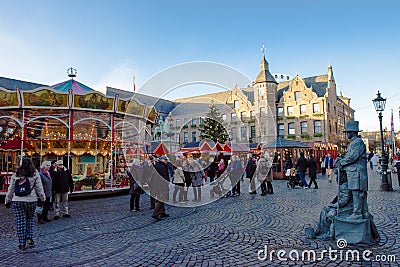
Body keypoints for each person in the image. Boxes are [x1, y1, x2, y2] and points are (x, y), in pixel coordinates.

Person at [4, 157, 46, 250]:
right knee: (30, 219)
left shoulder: (16, 173)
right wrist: (43, 198)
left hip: (17, 200)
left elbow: (11, 188)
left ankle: (21, 243)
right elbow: (39, 187)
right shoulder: (34, 173)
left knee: (20, 221)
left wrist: (8, 200)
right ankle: (29, 237)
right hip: (31, 200)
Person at [335, 121, 370, 220]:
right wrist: (342, 158)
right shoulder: (354, 143)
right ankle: (364, 212)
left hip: (357, 173)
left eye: (347, 132)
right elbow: (350, 156)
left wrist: (341, 162)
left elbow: (352, 157)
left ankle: (357, 213)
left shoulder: (357, 143)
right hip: (354, 172)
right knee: (358, 192)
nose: (346, 134)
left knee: (357, 192)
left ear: (352, 132)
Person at [152, 155, 170, 221]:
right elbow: (164, 177)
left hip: (157, 184)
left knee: (161, 199)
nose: (166, 161)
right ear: (162, 160)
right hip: (162, 185)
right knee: (161, 199)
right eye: (166, 160)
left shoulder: (157, 165)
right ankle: (155, 213)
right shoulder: (161, 167)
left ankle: (162, 212)